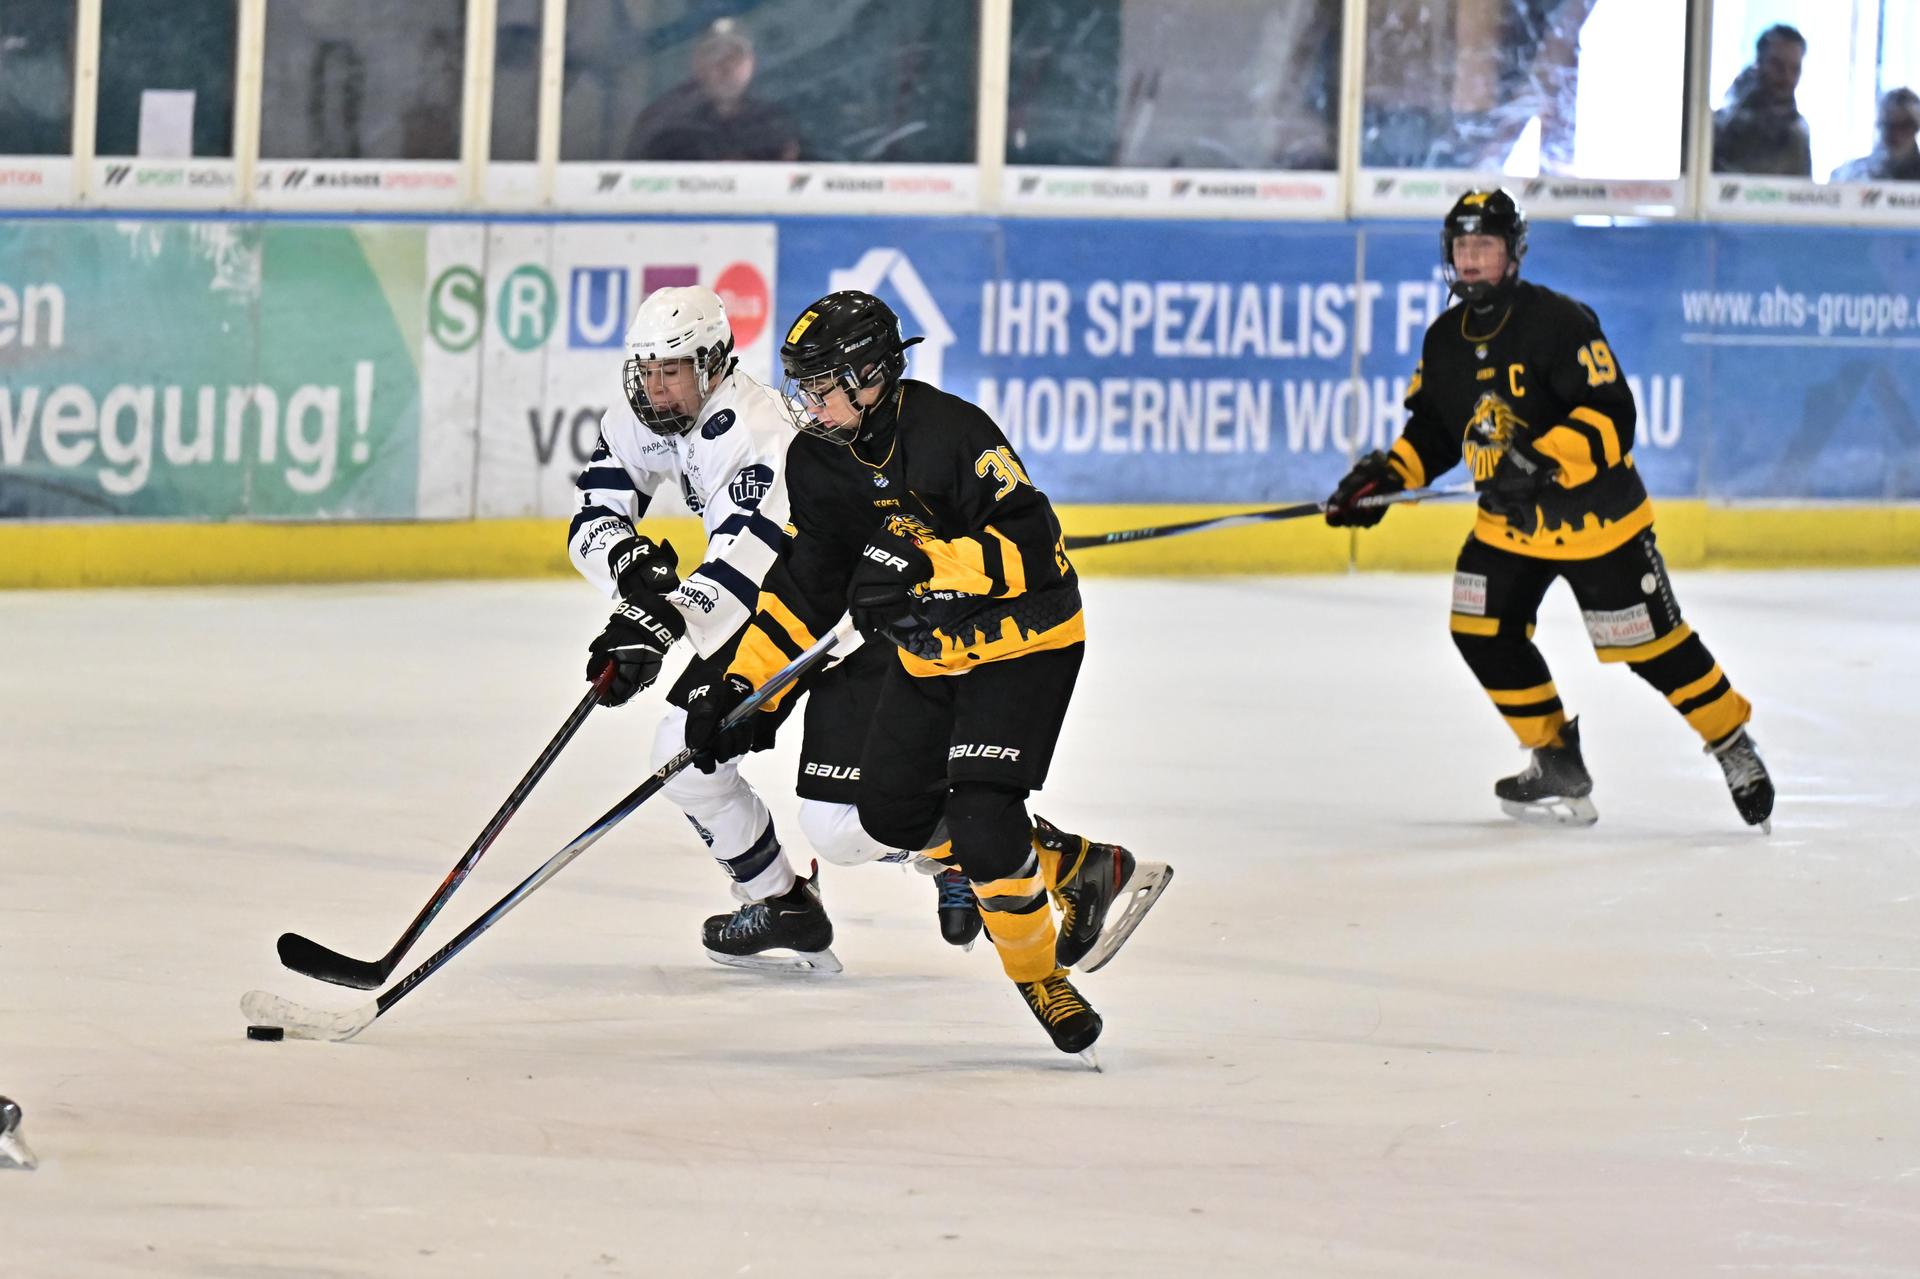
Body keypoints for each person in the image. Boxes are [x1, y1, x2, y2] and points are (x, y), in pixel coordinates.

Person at [675, 292, 1173, 1061]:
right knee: (889, 814)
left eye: (822, 386)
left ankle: (1042, 978)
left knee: (981, 818)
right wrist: (741, 686)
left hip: (1023, 644)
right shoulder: (819, 459)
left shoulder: (951, 432)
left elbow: (1036, 553)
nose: (809, 404)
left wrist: (930, 561)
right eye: (803, 386)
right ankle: (1078, 865)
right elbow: (807, 589)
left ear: (870, 377)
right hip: (930, 654)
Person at [1325, 190, 1775, 833]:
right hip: (1509, 526)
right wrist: (1387, 479)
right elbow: (1435, 431)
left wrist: (1540, 459)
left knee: (1654, 649)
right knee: (1480, 629)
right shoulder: (1444, 340)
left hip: (1597, 523)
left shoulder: (1559, 322)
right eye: (1462, 245)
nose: (1471, 258)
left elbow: (1613, 415)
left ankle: (1731, 740)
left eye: (1485, 245)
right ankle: (1556, 759)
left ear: (1513, 253)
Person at [573, 285, 981, 969]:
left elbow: (749, 557)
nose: (655, 387)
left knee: (844, 816)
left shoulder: (757, 429)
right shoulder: (641, 418)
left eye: (671, 370)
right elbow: (594, 514)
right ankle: (782, 902)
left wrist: (661, 619)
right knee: (684, 757)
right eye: (646, 370)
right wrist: (629, 566)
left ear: (712, 364)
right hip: (772, 606)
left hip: (830, 611)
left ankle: (967, 845)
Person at [622, 18, 801, 162]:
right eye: (715, 55)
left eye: (734, 56)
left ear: (750, 64)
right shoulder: (663, 120)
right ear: (697, 62)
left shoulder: (775, 122)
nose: (725, 66)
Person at [1712, 24, 1811, 177]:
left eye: (1794, 69)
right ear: (1759, 63)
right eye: (1778, 65)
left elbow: (1803, 187)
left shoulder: (1798, 131)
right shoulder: (1725, 124)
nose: (1787, 77)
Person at [1830, 88, 1920, 183]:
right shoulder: (1854, 173)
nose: (1895, 133)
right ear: (1879, 125)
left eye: (1904, 126)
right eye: (1888, 125)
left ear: (1916, 127)